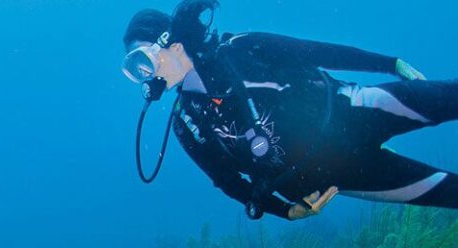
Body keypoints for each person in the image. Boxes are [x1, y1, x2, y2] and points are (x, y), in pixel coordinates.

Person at [122, 0, 458, 220]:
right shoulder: (186, 123)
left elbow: (315, 52)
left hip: (354, 110)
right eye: (135, 70)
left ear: (170, 43)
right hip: (337, 177)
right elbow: (226, 180)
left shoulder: (240, 48)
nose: (145, 76)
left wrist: (389, 64)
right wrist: (285, 211)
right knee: (450, 193)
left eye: (143, 61)